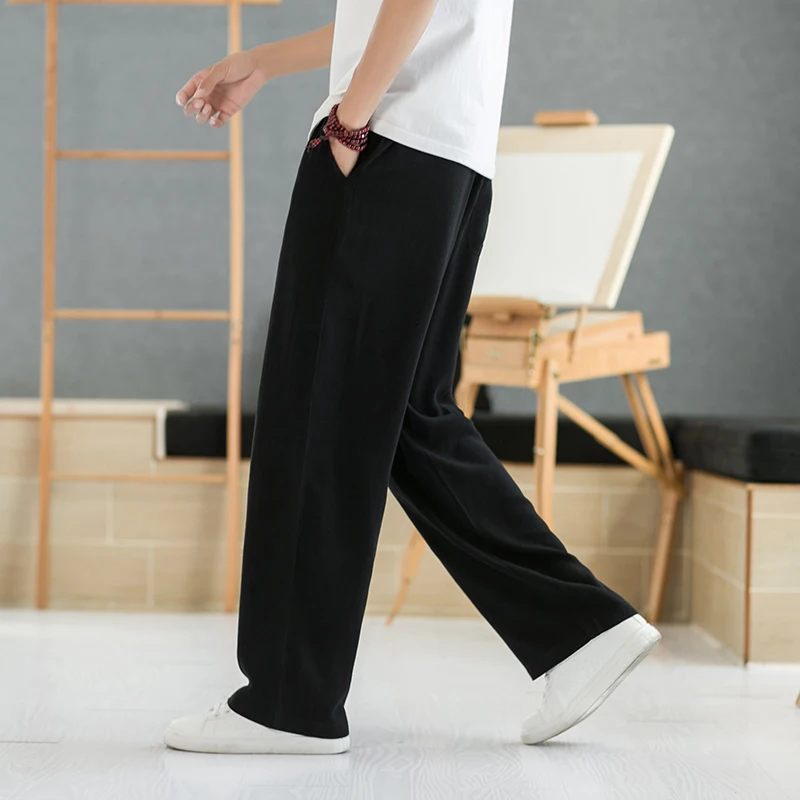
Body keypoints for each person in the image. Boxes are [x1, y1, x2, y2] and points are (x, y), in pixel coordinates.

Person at [164, 0, 660, 755]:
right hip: (448, 159)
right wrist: (263, 60)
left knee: (318, 416)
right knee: (406, 418)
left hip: (386, 145)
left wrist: (349, 124)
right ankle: (580, 631)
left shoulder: (366, 132)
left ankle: (289, 703)